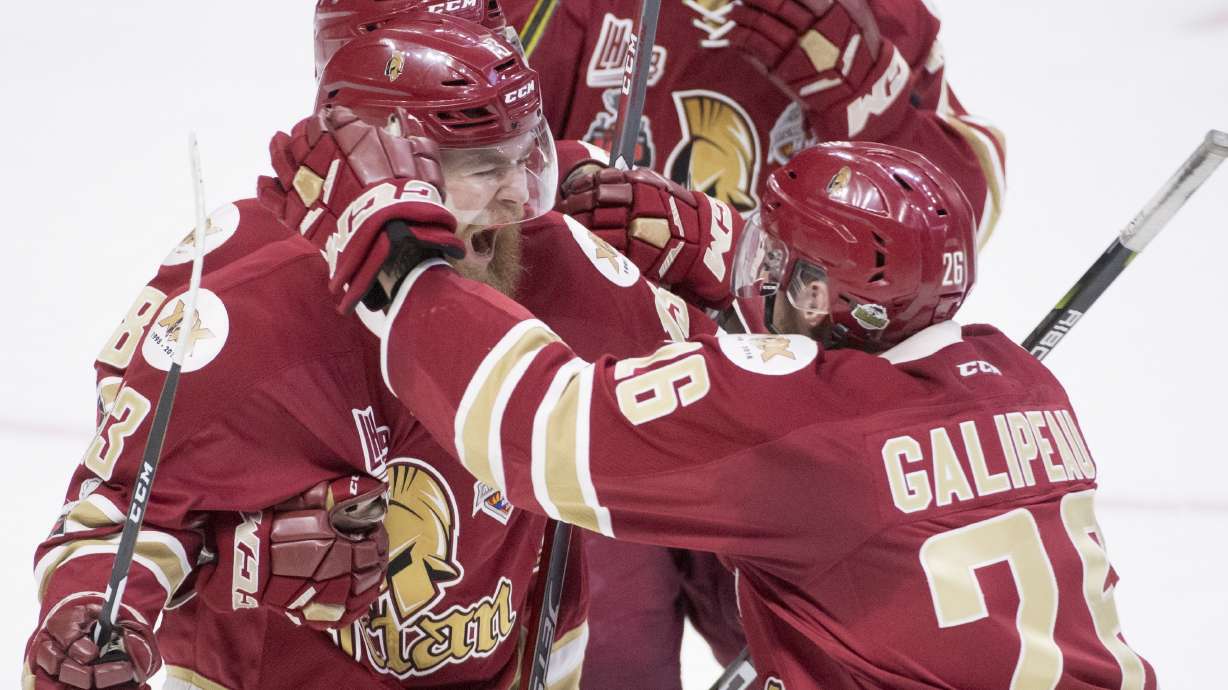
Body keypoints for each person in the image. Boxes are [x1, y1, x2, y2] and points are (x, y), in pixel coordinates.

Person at [268, 115, 1155, 688]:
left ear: (819, 294)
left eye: (778, 256)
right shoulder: (1022, 382)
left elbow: (543, 427)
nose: (754, 267)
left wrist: (405, 268)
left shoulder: (802, 424)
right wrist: (691, 237)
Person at [25, 15, 729, 689]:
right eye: (486, 167)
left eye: (525, 158)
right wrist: (123, 616)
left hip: (511, 665)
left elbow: (755, 400)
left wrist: (729, 255)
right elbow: (118, 524)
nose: (518, 199)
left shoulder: (553, 260)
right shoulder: (243, 306)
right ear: (380, 160)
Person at [495, 0, 1010, 682]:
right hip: (604, 407)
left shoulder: (878, 14)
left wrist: (867, 95)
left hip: (804, 424)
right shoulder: (553, 11)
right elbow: (465, 176)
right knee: (609, 665)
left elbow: (952, 228)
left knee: (882, 654)